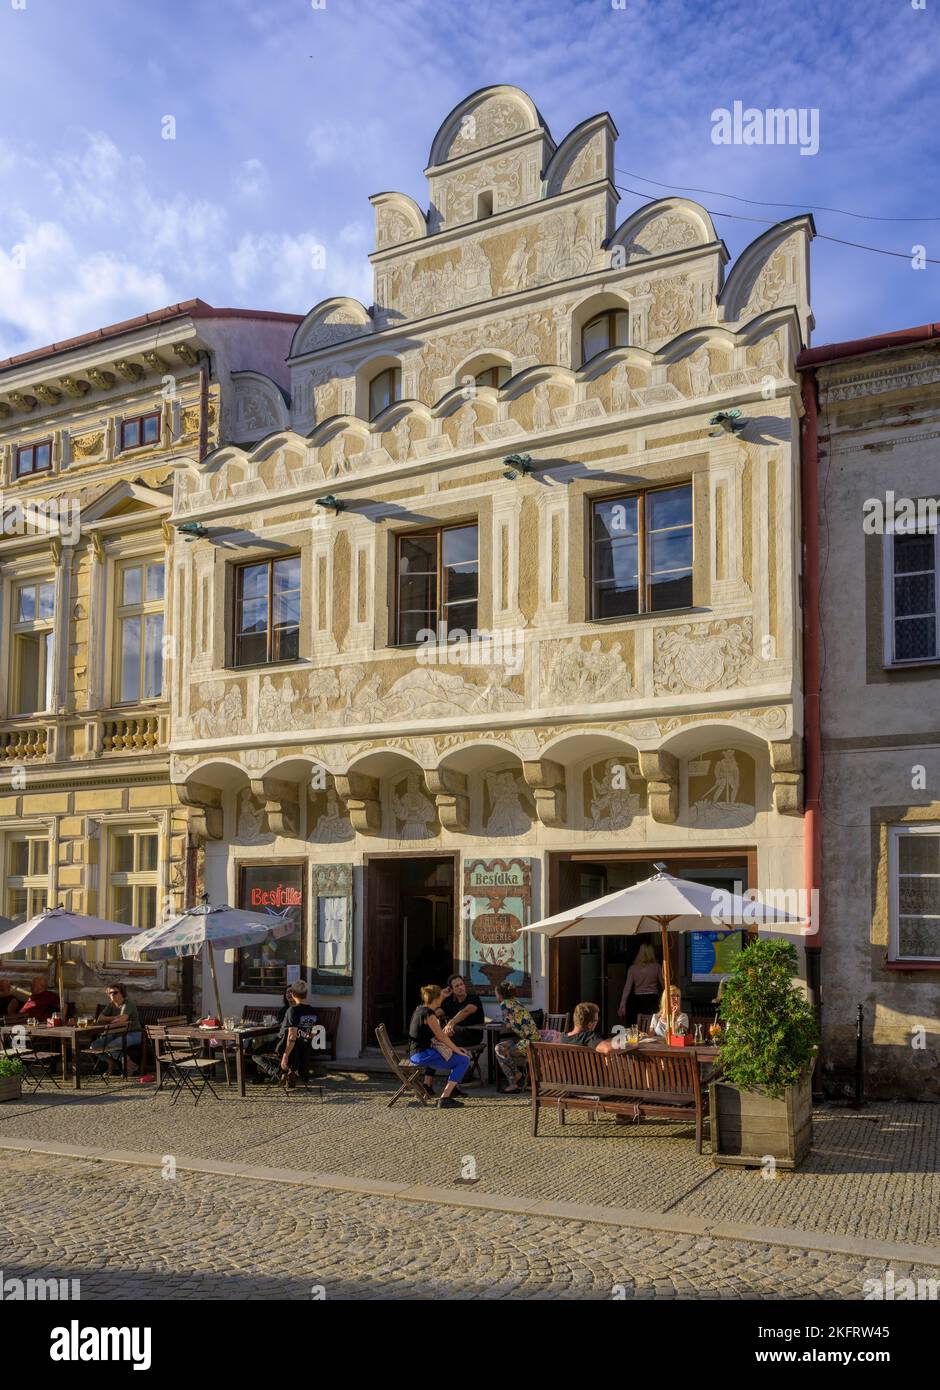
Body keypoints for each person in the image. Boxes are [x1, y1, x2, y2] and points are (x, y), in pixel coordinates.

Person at [408, 984, 471, 1109]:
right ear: (437, 998)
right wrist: (457, 1050)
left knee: (459, 1058)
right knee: (463, 1060)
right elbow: (441, 1036)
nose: (443, 997)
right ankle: (445, 1097)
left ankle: (450, 1091)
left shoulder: (420, 1009)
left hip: (418, 1053)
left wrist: (456, 1050)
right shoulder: (429, 1014)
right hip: (422, 1055)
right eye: (441, 995)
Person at [493, 981, 540, 1093]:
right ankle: (516, 1075)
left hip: (530, 1043)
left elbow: (508, 1024)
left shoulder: (504, 1004)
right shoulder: (516, 1002)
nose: (496, 996)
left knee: (501, 1050)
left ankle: (513, 1080)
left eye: (496, 993)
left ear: (500, 994)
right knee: (500, 1048)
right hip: (529, 1040)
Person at [89, 985, 142, 1074]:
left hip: (133, 1034)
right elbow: (100, 1018)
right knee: (94, 1046)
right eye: (110, 993)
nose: (112, 995)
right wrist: (114, 1018)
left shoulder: (128, 1004)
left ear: (122, 993)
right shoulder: (111, 1005)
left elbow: (122, 1020)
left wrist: (111, 1019)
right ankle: (112, 1063)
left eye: (115, 992)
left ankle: (131, 1066)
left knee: (112, 1047)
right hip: (116, 1034)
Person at [277, 980, 320, 1089]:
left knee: (256, 1053)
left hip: (289, 1046)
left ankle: (281, 1072)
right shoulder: (313, 1011)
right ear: (306, 994)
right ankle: (288, 1072)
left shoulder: (292, 1010)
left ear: (293, 994)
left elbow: (292, 1036)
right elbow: (313, 1034)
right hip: (304, 1048)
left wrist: (285, 1056)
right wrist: (304, 1038)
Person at [617, 942, 663, 1025]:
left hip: (637, 1000)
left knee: (636, 1025)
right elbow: (663, 984)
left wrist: (622, 1004)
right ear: (652, 953)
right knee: (652, 1024)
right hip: (653, 999)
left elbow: (627, 988)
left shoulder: (633, 968)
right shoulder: (657, 967)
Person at [440, 974, 485, 1047]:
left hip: (472, 1037)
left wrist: (451, 1023)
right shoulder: (451, 1003)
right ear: (452, 990)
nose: (460, 987)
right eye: (456, 986)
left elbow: (466, 1011)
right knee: (437, 1026)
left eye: (461, 984)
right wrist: (441, 997)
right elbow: (436, 1013)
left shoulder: (474, 998)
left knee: (450, 1029)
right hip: (454, 1035)